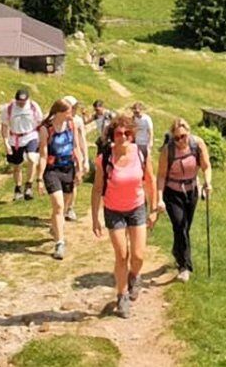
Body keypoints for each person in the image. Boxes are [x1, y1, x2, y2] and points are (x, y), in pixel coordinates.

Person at [91, 114, 157, 319]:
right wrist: (95, 217)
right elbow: (97, 188)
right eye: (119, 133)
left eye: (128, 133)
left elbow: (150, 181)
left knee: (138, 255)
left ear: (133, 134)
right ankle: (122, 296)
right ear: (113, 135)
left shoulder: (141, 153)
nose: (123, 137)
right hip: (113, 209)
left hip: (136, 207)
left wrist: (154, 209)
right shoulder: (105, 158)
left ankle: (134, 277)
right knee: (121, 254)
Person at [154, 117, 213, 283]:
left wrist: (208, 183)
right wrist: (159, 199)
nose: (181, 140)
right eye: (177, 137)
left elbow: (206, 166)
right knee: (180, 226)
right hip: (172, 193)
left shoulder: (197, 144)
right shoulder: (168, 150)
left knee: (185, 227)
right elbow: (161, 176)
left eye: (183, 136)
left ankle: (177, 251)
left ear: (189, 133)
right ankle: (185, 266)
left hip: (192, 190)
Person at [38, 99, 79, 259]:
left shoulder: (71, 125)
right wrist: (40, 178)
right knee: (59, 205)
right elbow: (43, 154)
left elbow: (75, 146)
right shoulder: (46, 129)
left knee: (66, 202)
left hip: (68, 167)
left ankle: (55, 225)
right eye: (69, 111)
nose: (72, 114)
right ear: (60, 112)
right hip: (52, 169)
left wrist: (81, 166)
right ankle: (60, 243)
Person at [0, 88, 43, 201]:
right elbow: (4, 125)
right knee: (17, 165)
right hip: (15, 138)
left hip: (30, 135)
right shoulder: (9, 108)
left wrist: (41, 138)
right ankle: (18, 188)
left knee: (32, 158)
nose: (21, 104)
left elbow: (40, 122)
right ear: (16, 100)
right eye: (19, 102)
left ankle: (29, 186)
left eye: (23, 102)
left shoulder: (33, 106)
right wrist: (6, 142)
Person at [61, 96, 89, 221]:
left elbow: (82, 140)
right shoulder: (58, 120)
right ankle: (61, 209)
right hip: (60, 157)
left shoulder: (77, 121)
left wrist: (86, 159)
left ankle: (70, 208)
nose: (75, 109)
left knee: (73, 183)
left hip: (75, 156)